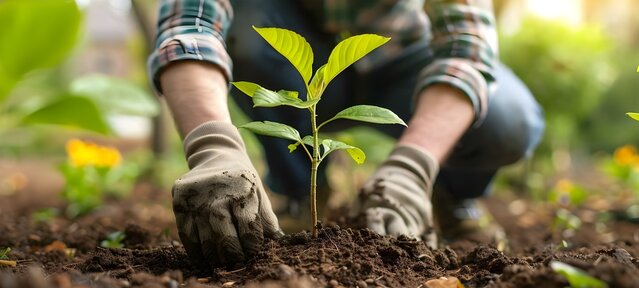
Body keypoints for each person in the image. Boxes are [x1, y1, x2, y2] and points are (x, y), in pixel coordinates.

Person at [149, 0, 545, 272]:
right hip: (297, 59)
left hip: (404, 54)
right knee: (248, 26)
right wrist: (212, 147)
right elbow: (190, 23)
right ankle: (295, 190)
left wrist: (412, 168)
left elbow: (468, 50)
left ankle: (448, 194)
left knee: (507, 120)